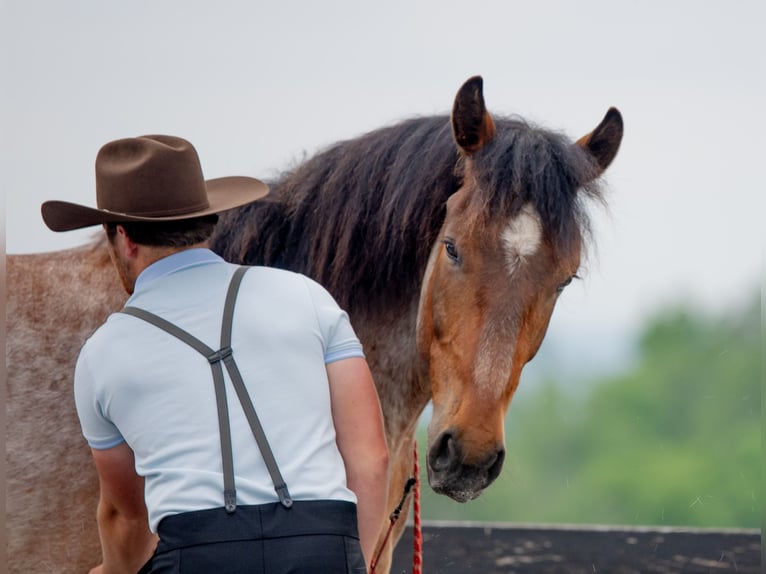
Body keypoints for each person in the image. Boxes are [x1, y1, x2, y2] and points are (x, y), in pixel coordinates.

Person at [41, 134, 390, 574]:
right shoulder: (306, 296)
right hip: (323, 546)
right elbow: (370, 459)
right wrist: (350, 560)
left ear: (124, 238)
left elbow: (129, 515)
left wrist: (110, 572)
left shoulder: (102, 354)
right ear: (206, 222)